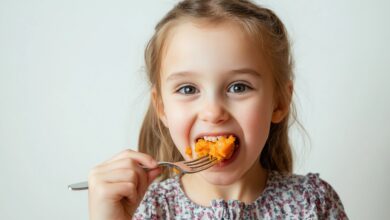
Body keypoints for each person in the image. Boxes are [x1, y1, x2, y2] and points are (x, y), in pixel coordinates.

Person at [88, 0, 348, 219]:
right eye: (188, 89)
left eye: (238, 87)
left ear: (278, 102)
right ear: (163, 108)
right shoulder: (147, 209)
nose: (213, 112)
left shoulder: (312, 204)